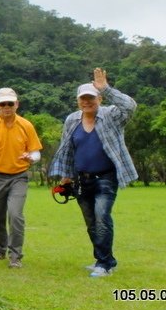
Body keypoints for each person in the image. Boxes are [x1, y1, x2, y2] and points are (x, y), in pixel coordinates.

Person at [49, 68, 137, 278]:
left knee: (102, 216)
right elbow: (68, 148)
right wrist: (66, 177)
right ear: (78, 101)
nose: (87, 102)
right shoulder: (72, 120)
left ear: (99, 98)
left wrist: (105, 88)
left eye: (91, 97)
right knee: (91, 222)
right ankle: (104, 259)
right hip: (82, 179)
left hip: (106, 177)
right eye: (83, 99)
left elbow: (130, 106)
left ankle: (104, 265)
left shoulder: (111, 115)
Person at [0, 87, 42, 269]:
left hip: (19, 176)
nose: (6, 107)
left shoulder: (26, 125)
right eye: (2, 103)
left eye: (10, 103)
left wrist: (31, 158)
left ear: (16, 105)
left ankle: (15, 256)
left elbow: (36, 153)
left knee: (15, 215)